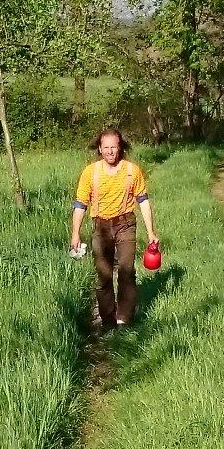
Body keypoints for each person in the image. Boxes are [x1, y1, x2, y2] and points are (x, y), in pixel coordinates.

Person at [71, 127, 159, 328]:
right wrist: (75, 234)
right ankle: (107, 320)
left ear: (120, 148)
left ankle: (124, 319)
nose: (110, 151)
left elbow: (143, 201)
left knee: (127, 271)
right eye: (106, 147)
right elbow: (80, 204)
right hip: (100, 228)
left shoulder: (132, 171)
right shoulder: (90, 172)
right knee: (104, 276)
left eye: (114, 147)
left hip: (126, 225)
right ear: (100, 149)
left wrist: (151, 231)